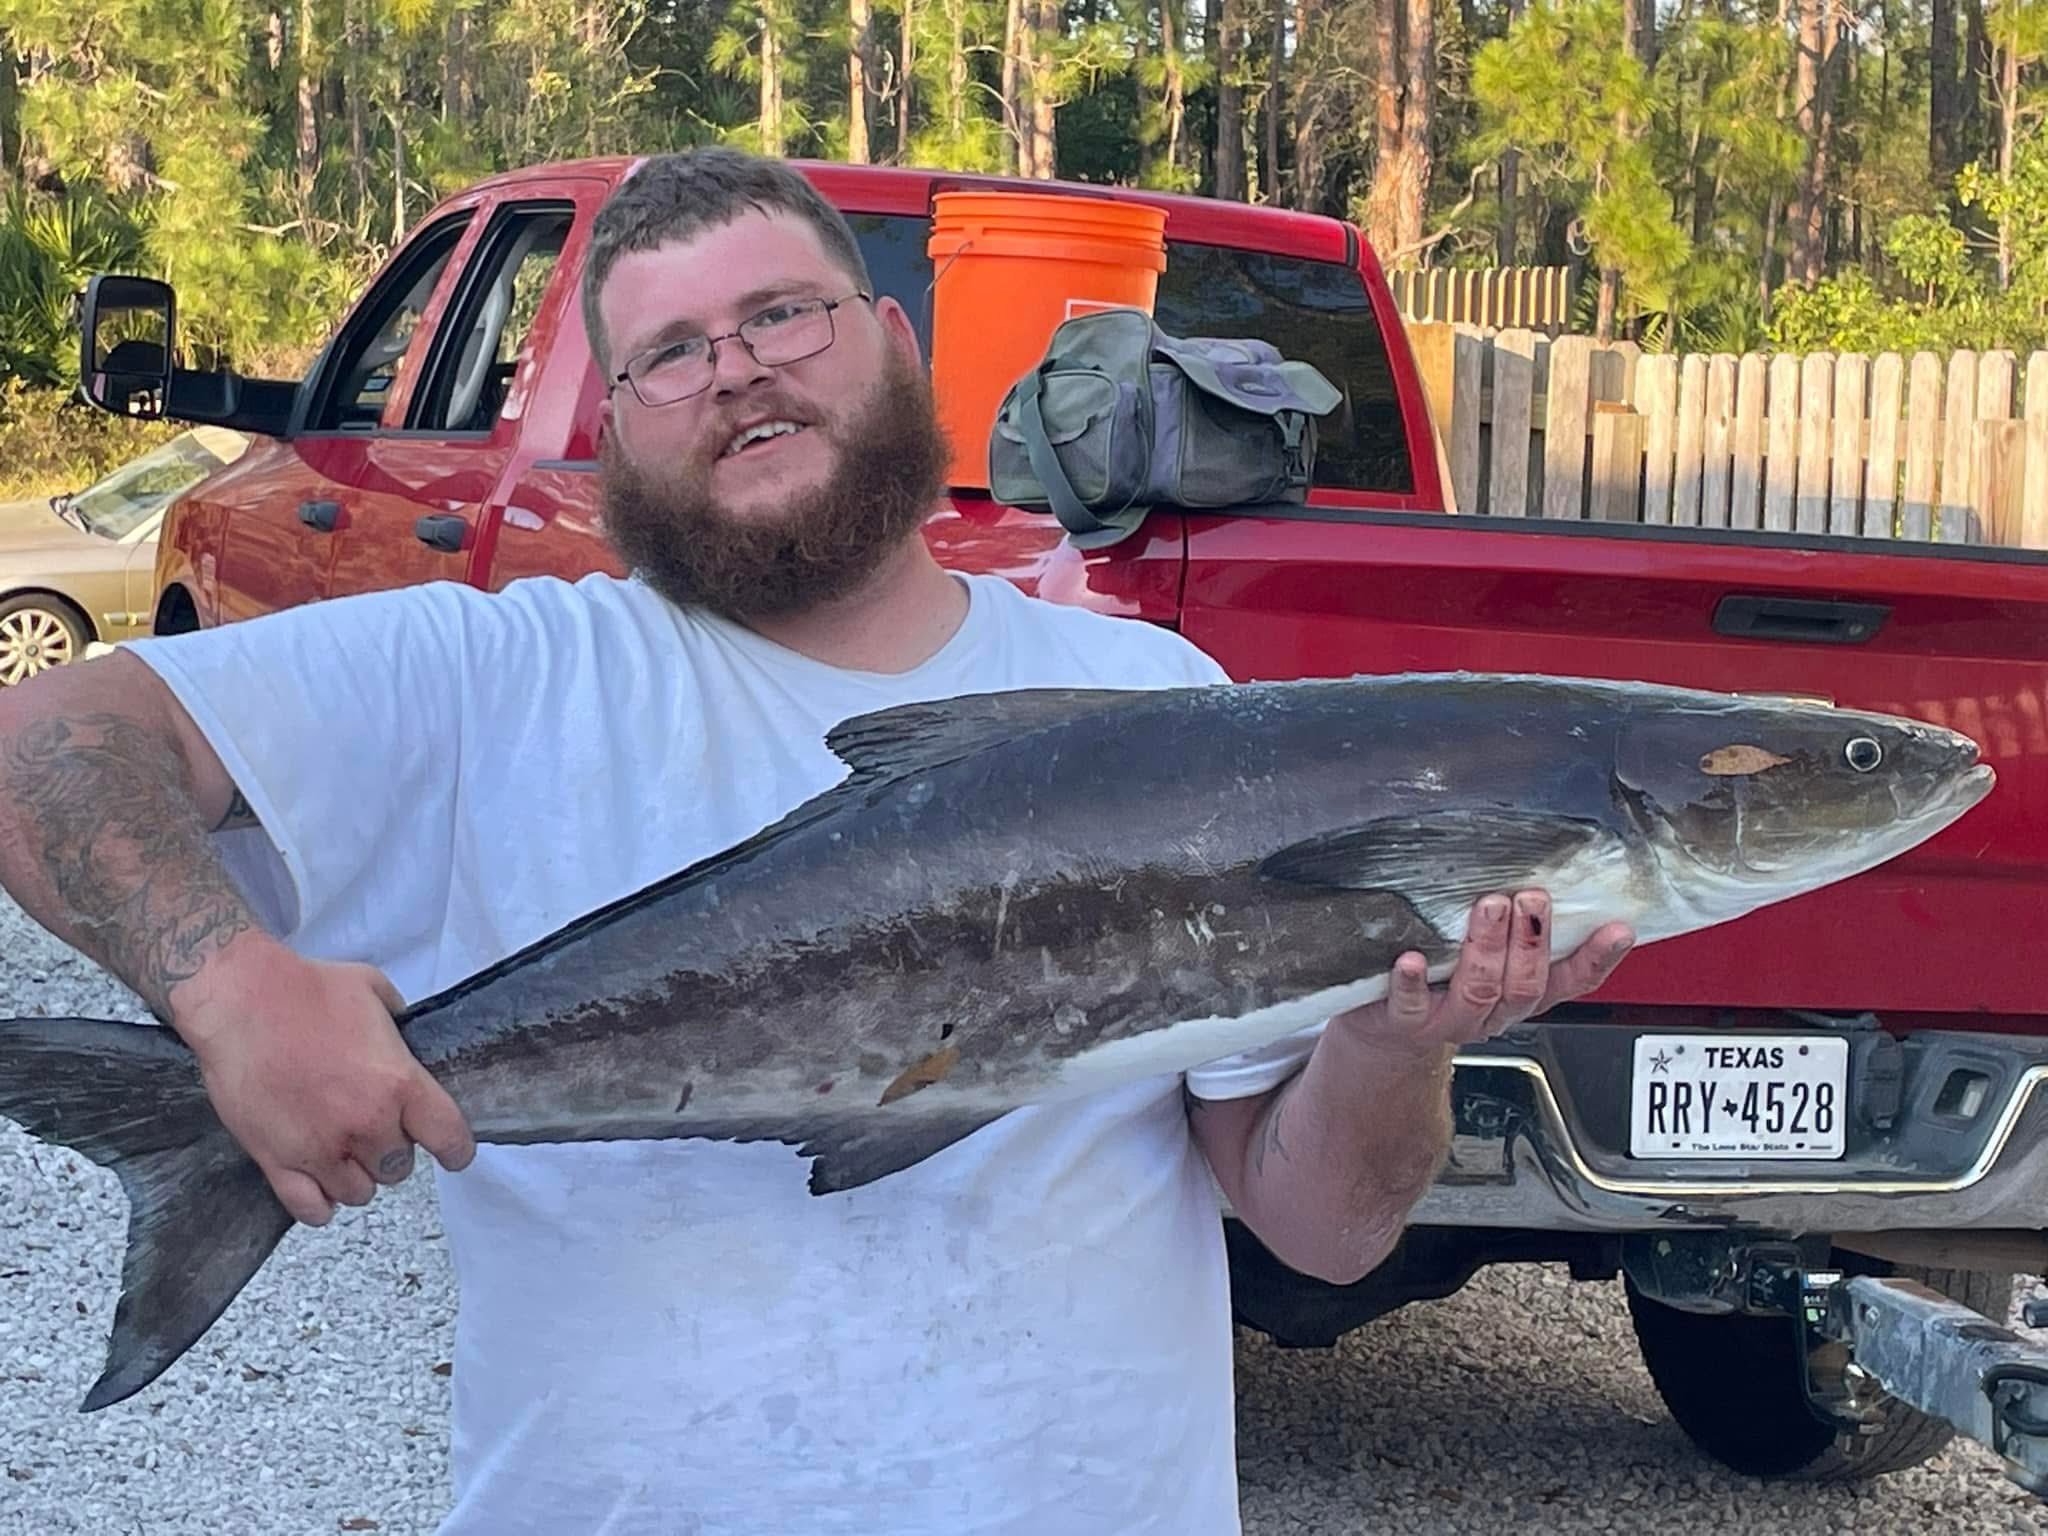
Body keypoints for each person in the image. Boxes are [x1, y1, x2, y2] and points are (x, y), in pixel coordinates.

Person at [0, 147, 1635, 1535]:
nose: (736, 371)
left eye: (783, 314)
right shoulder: (491, 674)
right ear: (615, 421)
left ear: (895, 342)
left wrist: (1396, 1042)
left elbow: (1322, 1229)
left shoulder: (1152, 702)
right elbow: (43, 740)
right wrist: (228, 985)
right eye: (669, 353)